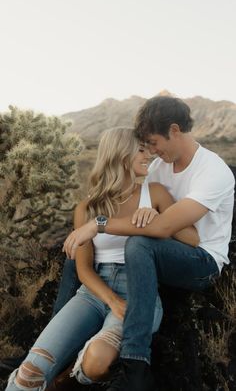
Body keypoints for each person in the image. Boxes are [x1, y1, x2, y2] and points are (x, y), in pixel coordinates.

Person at [5, 126, 199, 391]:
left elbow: (192, 238)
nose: (149, 155)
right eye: (141, 150)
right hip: (93, 293)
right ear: (121, 155)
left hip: (138, 291)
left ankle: (67, 379)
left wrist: (159, 220)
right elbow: (83, 269)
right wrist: (111, 300)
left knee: (96, 362)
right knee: (29, 374)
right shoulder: (87, 208)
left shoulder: (155, 194)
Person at [63, 96, 235, 391]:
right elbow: (147, 210)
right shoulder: (160, 168)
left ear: (175, 130)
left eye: (154, 143)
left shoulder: (213, 170)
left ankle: (136, 364)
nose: (151, 151)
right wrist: (142, 212)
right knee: (76, 251)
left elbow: (167, 225)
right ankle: (54, 348)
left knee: (138, 244)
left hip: (200, 259)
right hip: (168, 250)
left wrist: (99, 224)